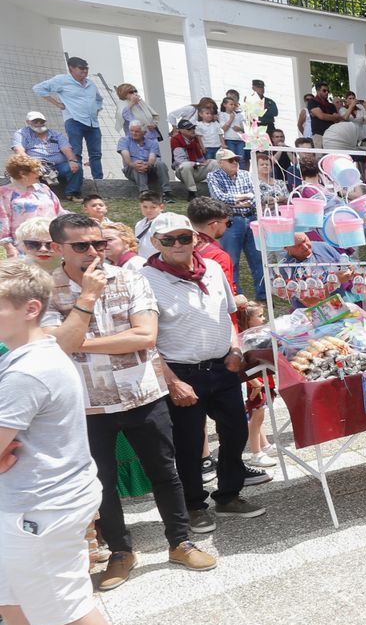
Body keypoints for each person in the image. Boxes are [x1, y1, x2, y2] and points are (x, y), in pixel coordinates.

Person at [0, 258, 144, 625]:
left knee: (65, 603)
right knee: (16, 599)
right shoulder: (26, 353)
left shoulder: (29, 369)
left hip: (39, 505)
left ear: (30, 309)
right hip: (27, 499)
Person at [41, 213, 213, 583]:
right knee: (101, 480)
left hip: (143, 395)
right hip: (87, 404)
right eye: (81, 246)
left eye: (99, 244)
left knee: (166, 473)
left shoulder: (131, 278)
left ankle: (180, 542)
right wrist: (87, 298)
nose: (93, 252)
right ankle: (120, 550)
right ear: (58, 249)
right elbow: (57, 346)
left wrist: (79, 342)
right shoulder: (46, 290)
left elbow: (145, 337)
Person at [144, 212, 265, 525]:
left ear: (195, 238)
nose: (178, 244)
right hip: (182, 372)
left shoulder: (211, 268)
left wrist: (236, 349)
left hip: (222, 366)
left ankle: (228, 494)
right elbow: (146, 341)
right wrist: (171, 381)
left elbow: (226, 316)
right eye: (168, 239)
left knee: (236, 431)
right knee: (187, 444)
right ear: (155, 242)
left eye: (184, 237)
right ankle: (194, 505)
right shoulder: (145, 279)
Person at [31, 58, 102, 198]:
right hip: (74, 120)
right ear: (71, 68)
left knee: (96, 154)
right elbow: (38, 88)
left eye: (86, 68)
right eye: (81, 68)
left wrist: (96, 110)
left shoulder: (91, 83)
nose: (84, 71)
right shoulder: (62, 80)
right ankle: (78, 185)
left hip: (93, 122)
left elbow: (99, 99)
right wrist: (57, 104)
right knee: (76, 152)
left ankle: (99, 183)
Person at [204, 149, 264, 299]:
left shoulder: (245, 174)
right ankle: (236, 295)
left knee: (258, 260)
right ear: (220, 162)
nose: (235, 163)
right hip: (231, 221)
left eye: (236, 160)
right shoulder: (213, 176)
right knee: (231, 261)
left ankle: (263, 295)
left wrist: (237, 200)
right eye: (231, 160)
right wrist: (244, 197)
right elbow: (219, 198)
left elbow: (256, 196)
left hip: (251, 219)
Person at [1, 156, 64, 246]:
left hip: (51, 240)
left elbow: (60, 212)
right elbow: (3, 221)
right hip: (25, 244)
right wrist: (8, 246)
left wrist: (79, 220)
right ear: (22, 173)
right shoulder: (5, 192)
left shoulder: (43, 188)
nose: (41, 174)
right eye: (37, 170)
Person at [11, 111, 79, 193]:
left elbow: (67, 149)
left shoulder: (56, 134)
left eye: (42, 121)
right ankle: (33, 193)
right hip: (36, 165)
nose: (39, 123)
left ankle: (72, 194)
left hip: (58, 165)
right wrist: (32, 164)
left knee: (76, 166)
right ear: (28, 122)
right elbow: (19, 151)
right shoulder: (21, 133)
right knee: (24, 169)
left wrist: (72, 160)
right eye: (35, 121)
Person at [115, 123, 168, 198]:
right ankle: (144, 192)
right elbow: (125, 155)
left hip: (149, 169)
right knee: (138, 164)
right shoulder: (124, 140)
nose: (134, 133)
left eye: (137, 131)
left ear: (144, 133)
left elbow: (152, 157)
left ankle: (167, 192)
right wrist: (133, 164)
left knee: (160, 164)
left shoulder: (152, 143)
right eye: (132, 131)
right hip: (131, 169)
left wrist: (148, 164)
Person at [167, 119, 205, 200]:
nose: (192, 130)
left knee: (214, 163)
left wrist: (205, 162)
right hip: (181, 170)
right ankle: (192, 193)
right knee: (186, 165)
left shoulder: (195, 139)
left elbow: (200, 158)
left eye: (193, 128)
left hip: (196, 168)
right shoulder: (175, 140)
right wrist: (197, 164)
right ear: (181, 130)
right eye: (189, 129)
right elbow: (180, 161)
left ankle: (219, 190)